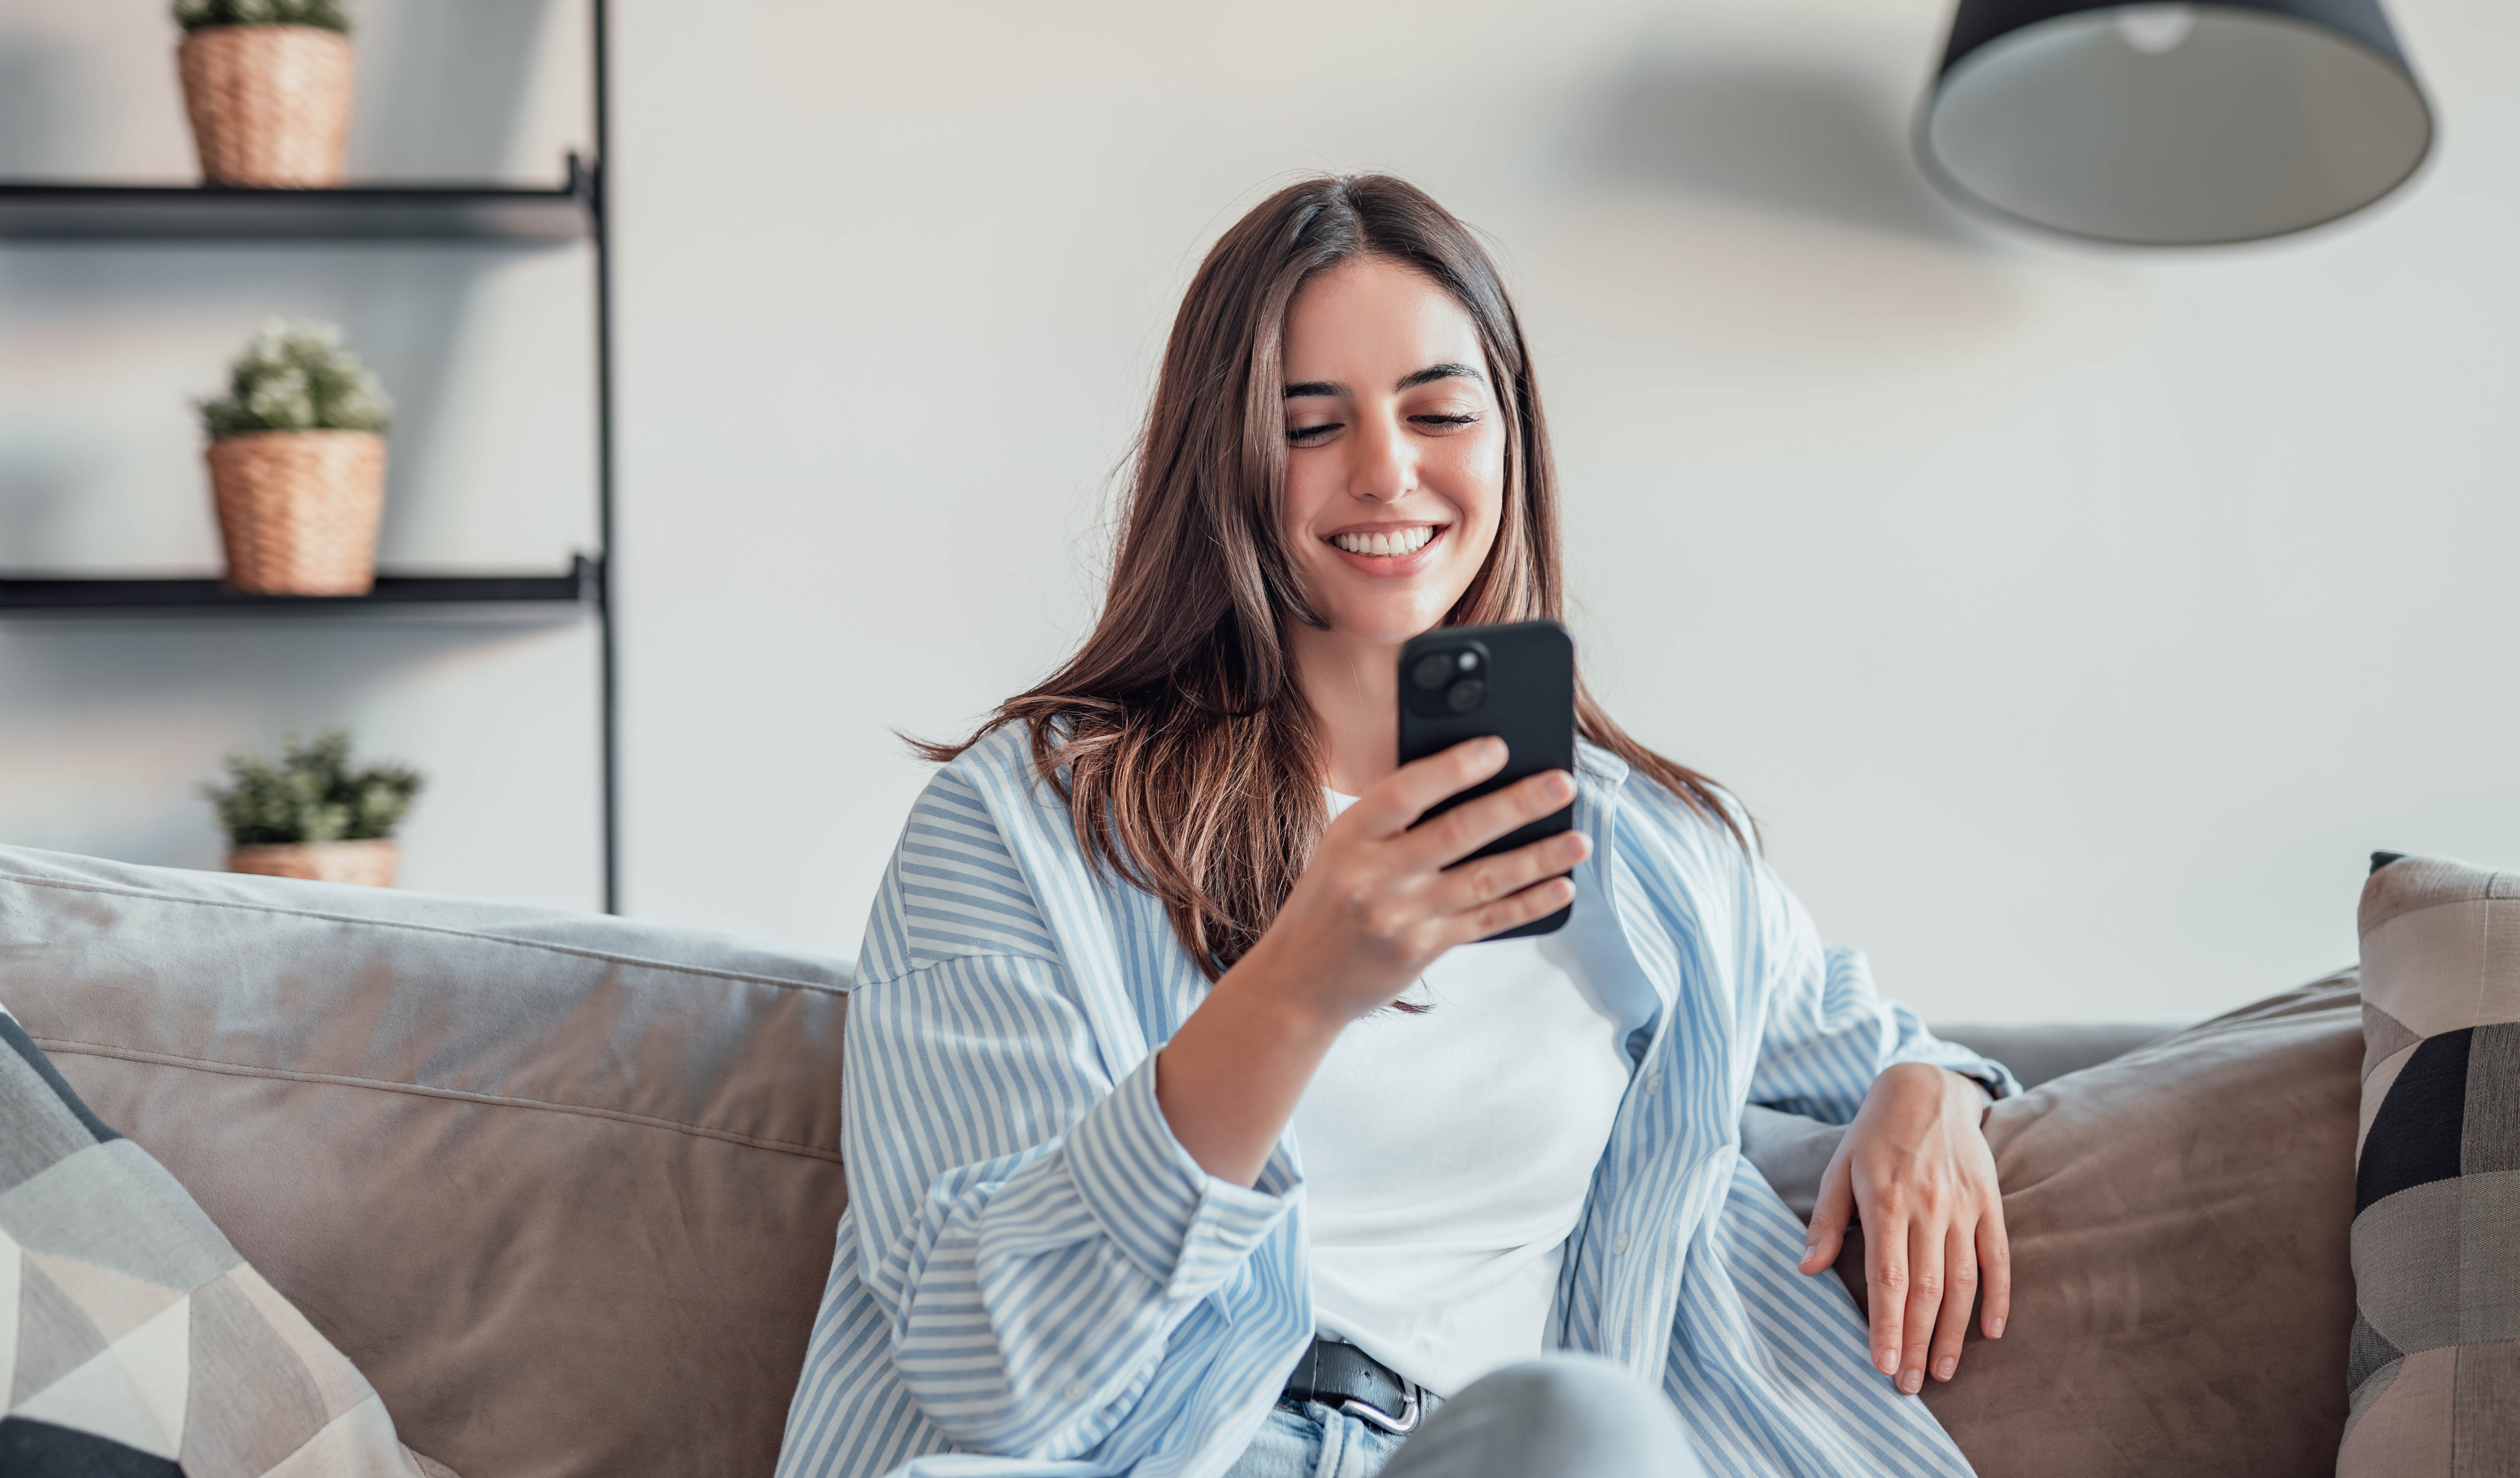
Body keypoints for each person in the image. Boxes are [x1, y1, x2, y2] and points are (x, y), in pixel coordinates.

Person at [775, 174, 2017, 1478]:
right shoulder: (1029, 826)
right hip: (1183, 1455)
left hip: (1500, 1453)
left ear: (1508, 443)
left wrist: (1931, 1091)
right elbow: (990, 1363)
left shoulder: (1655, 853)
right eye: (1310, 426)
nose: (1386, 472)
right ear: (1226, 464)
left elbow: (1870, 1040)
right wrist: (1297, 991)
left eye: (1439, 412)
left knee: (1587, 1430)